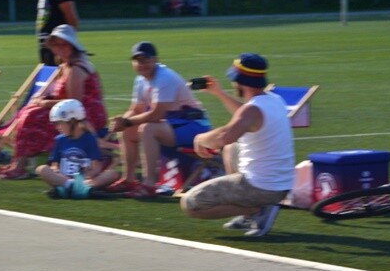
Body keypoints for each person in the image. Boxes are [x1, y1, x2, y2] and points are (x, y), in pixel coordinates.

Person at [179, 53, 295, 237]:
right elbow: (243, 118)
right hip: (280, 184)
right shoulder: (274, 100)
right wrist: (219, 93)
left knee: (189, 204)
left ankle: (253, 211)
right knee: (231, 149)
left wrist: (200, 139)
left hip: (261, 188)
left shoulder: (252, 110)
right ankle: (252, 208)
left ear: (240, 82)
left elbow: (225, 136)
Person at [0, 24, 106, 180]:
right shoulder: (65, 66)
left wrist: (45, 103)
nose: (60, 48)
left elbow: (75, 104)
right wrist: (40, 100)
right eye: (56, 45)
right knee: (29, 111)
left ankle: (20, 166)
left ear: (72, 46)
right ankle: (19, 164)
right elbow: (53, 96)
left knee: (32, 115)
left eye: (64, 44)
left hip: (84, 117)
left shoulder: (76, 68)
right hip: (69, 112)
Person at [106, 41, 211, 197]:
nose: (142, 64)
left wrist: (127, 121)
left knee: (148, 129)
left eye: (146, 60)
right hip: (175, 122)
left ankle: (149, 184)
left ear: (156, 60)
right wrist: (121, 122)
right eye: (138, 60)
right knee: (128, 131)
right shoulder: (141, 80)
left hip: (194, 125)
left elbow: (157, 114)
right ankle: (128, 179)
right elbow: (136, 109)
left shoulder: (164, 78)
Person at [36, 99, 120, 199]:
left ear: (72, 121)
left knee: (113, 174)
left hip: (84, 179)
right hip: (63, 178)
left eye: (59, 123)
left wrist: (84, 176)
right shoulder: (59, 140)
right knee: (41, 169)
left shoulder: (90, 139)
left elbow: (96, 167)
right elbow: (55, 165)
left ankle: (68, 190)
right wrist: (56, 171)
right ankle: (79, 189)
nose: (57, 127)